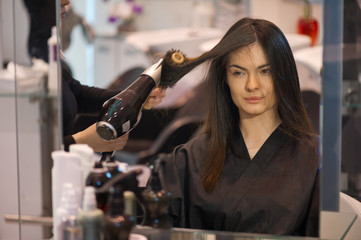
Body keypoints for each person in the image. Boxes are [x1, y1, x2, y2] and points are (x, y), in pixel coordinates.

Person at [159, 18, 319, 236]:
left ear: (283, 75)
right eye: (239, 72)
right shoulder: (189, 159)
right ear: (224, 78)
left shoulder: (314, 159)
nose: (252, 85)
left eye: (265, 71)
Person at [23, 0, 166, 152]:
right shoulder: (21, 60)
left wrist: (134, 98)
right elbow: (25, 151)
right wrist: (81, 141)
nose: (67, 1)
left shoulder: (43, 51)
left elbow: (77, 94)